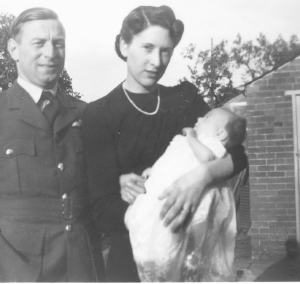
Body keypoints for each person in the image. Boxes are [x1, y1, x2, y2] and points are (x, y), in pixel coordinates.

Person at [0, 7, 102, 282]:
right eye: (39, 43)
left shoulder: (86, 114)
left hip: (80, 267)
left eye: (58, 43)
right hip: (11, 269)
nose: (50, 52)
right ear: (14, 49)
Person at [82, 5, 247, 282]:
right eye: (147, 47)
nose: (157, 61)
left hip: (195, 255)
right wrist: (152, 208)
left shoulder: (184, 98)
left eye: (166, 50)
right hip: (136, 256)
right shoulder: (100, 114)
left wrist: (201, 177)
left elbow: (238, 155)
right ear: (124, 45)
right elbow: (101, 208)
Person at [125, 108, 247, 281]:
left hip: (191, 200)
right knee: (146, 228)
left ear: (220, 134)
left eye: (205, 118)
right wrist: (153, 170)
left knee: (174, 240)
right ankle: (156, 266)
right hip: (167, 192)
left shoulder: (209, 142)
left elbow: (206, 158)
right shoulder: (187, 143)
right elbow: (170, 160)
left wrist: (191, 138)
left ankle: (165, 268)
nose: (198, 117)